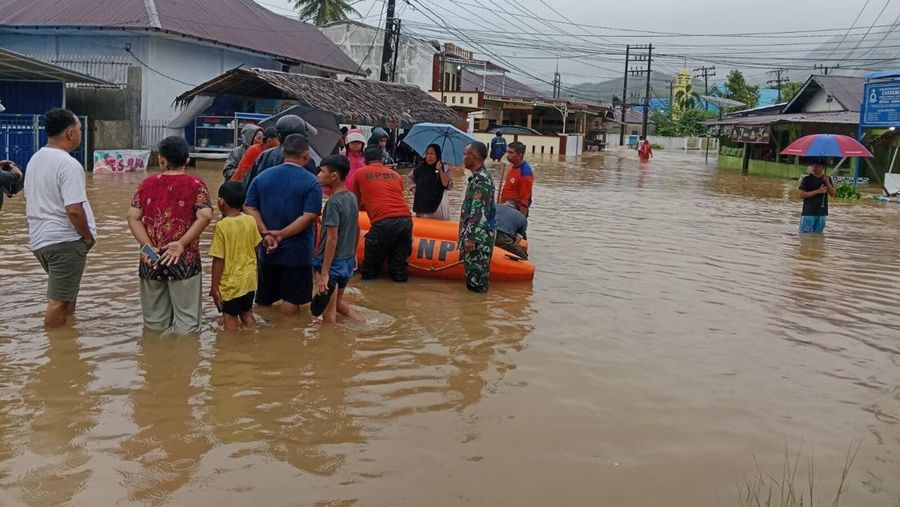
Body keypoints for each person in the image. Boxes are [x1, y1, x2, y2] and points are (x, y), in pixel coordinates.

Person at [127, 136, 213, 335]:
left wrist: (148, 248)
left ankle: (155, 361)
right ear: (187, 159)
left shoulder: (147, 184)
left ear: (162, 160)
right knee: (187, 324)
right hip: (184, 260)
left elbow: (133, 217)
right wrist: (181, 244)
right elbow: (205, 215)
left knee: (154, 323)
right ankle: (181, 362)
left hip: (151, 259)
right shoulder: (196, 184)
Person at [24, 108, 96, 328]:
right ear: (70, 133)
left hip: (40, 239)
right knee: (58, 303)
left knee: (66, 297)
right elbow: (74, 209)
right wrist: (86, 236)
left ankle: (67, 340)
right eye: (80, 129)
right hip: (63, 241)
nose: (81, 134)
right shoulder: (69, 164)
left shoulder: (36, 159)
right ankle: (56, 355)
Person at [244, 134, 322, 315]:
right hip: (298, 253)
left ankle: (262, 338)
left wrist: (266, 233)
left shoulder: (262, 177)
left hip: (267, 250)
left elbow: (249, 207)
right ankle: (288, 339)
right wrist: (282, 234)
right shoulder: (312, 182)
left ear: (283, 152)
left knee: (264, 300)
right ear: (306, 155)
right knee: (292, 301)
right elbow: (310, 216)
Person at [312, 154, 361, 323]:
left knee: (328, 313)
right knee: (338, 303)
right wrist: (353, 254)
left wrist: (324, 273)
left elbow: (332, 238)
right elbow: (356, 227)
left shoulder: (333, 203)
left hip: (331, 265)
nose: (318, 174)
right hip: (346, 261)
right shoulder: (352, 198)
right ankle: (363, 324)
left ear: (334, 176)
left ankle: (330, 346)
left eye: (322, 171)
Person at [355, 145, 413, 282]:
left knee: (369, 270)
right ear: (382, 159)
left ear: (365, 159)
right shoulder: (396, 175)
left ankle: (368, 300)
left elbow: (355, 201)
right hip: (406, 220)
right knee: (399, 268)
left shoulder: (360, 173)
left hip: (383, 222)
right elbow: (396, 195)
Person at [209, 180, 262, 331]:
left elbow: (218, 259)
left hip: (230, 285)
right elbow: (257, 245)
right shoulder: (250, 220)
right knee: (247, 314)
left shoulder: (222, 226)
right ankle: (255, 339)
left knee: (230, 322)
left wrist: (214, 288)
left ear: (221, 202)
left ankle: (231, 351)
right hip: (249, 280)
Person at [459, 141, 496, 293]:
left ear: (473, 156)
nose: (463, 158)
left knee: (476, 285)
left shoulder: (481, 179)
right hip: (477, 239)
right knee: (473, 282)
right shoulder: (477, 178)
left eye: (465, 155)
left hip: (477, 241)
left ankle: (477, 315)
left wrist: (470, 237)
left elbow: (478, 209)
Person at [245, 115, 318, 187]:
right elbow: (312, 188)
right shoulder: (305, 159)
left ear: (278, 136)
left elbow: (249, 186)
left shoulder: (264, 155)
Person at [407, 143, 452, 220]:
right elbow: (410, 178)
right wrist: (414, 189)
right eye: (427, 153)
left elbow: (447, 185)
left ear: (437, 155)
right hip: (421, 206)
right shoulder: (419, 169)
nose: (429, 156)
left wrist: (440, 170)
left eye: (432, 154)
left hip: (438, 207)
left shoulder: (445, 168)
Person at [798, 158, 835, 234]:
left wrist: (828, 182)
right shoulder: (807, 179)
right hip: (808, 212)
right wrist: (818, 191)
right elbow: (801, 194)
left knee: (818, 236)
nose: (815, 167)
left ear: (823, 167)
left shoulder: (827, 179)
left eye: (818, 165)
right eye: (813, 165)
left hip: (822, 213)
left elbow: (833, 194)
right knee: (805, 235)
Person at [500, 141, 534, 216]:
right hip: (505, 207)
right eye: (507, 152)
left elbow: (525, 200)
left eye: (511, 153)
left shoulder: (525, 173)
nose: (508, 155)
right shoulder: (512, 166)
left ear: (519, 155)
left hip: (515, 211)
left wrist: (521, 219)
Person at [341, 128, 366, 193]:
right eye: (353, 142)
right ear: (348, 143)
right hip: (346, 189)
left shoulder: (366, 157)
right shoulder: (342, 157)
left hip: (362, 189)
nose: (355, 144)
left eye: (358, 142)